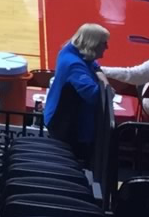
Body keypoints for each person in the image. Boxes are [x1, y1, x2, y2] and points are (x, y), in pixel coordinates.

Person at [43, 22, 109, 164]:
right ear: (93, 44)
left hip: (61, 116)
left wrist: (99, 73)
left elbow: (93, 64)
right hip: (67, 126)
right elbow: (96, 96)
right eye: (104, 43)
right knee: (70, 162)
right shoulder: (75, 64)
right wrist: (106, 84)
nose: (107, 47)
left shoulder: (70, 50)